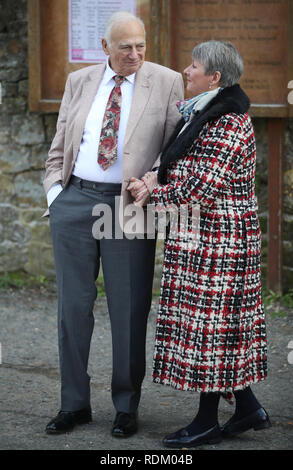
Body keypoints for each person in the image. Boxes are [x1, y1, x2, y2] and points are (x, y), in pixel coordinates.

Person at [43, 11, 184, 437]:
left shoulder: (167, 81)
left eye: (140, 45)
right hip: (75, 201)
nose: (135, 54)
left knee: (128, 311)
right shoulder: (79, 81)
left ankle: (125, 407)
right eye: (125, 47)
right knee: (72, 309)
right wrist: (55, 193)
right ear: (105, 47)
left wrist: (153, 179)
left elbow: (174, 148)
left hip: (129, 206)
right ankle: (74, 405)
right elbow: (61, 142)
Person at [132, 40, 271, 448]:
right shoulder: (204, 113)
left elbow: (202, 187)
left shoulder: (229, 121)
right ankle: (247, 408)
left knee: (210, 330)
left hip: (221, 241)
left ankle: (207, 422)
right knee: (216, 329)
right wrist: (153, 179)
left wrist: (148, 196)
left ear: (215, 77)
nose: (186, 72)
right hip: (202, 237)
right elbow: (178, 164)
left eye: (194, 67)